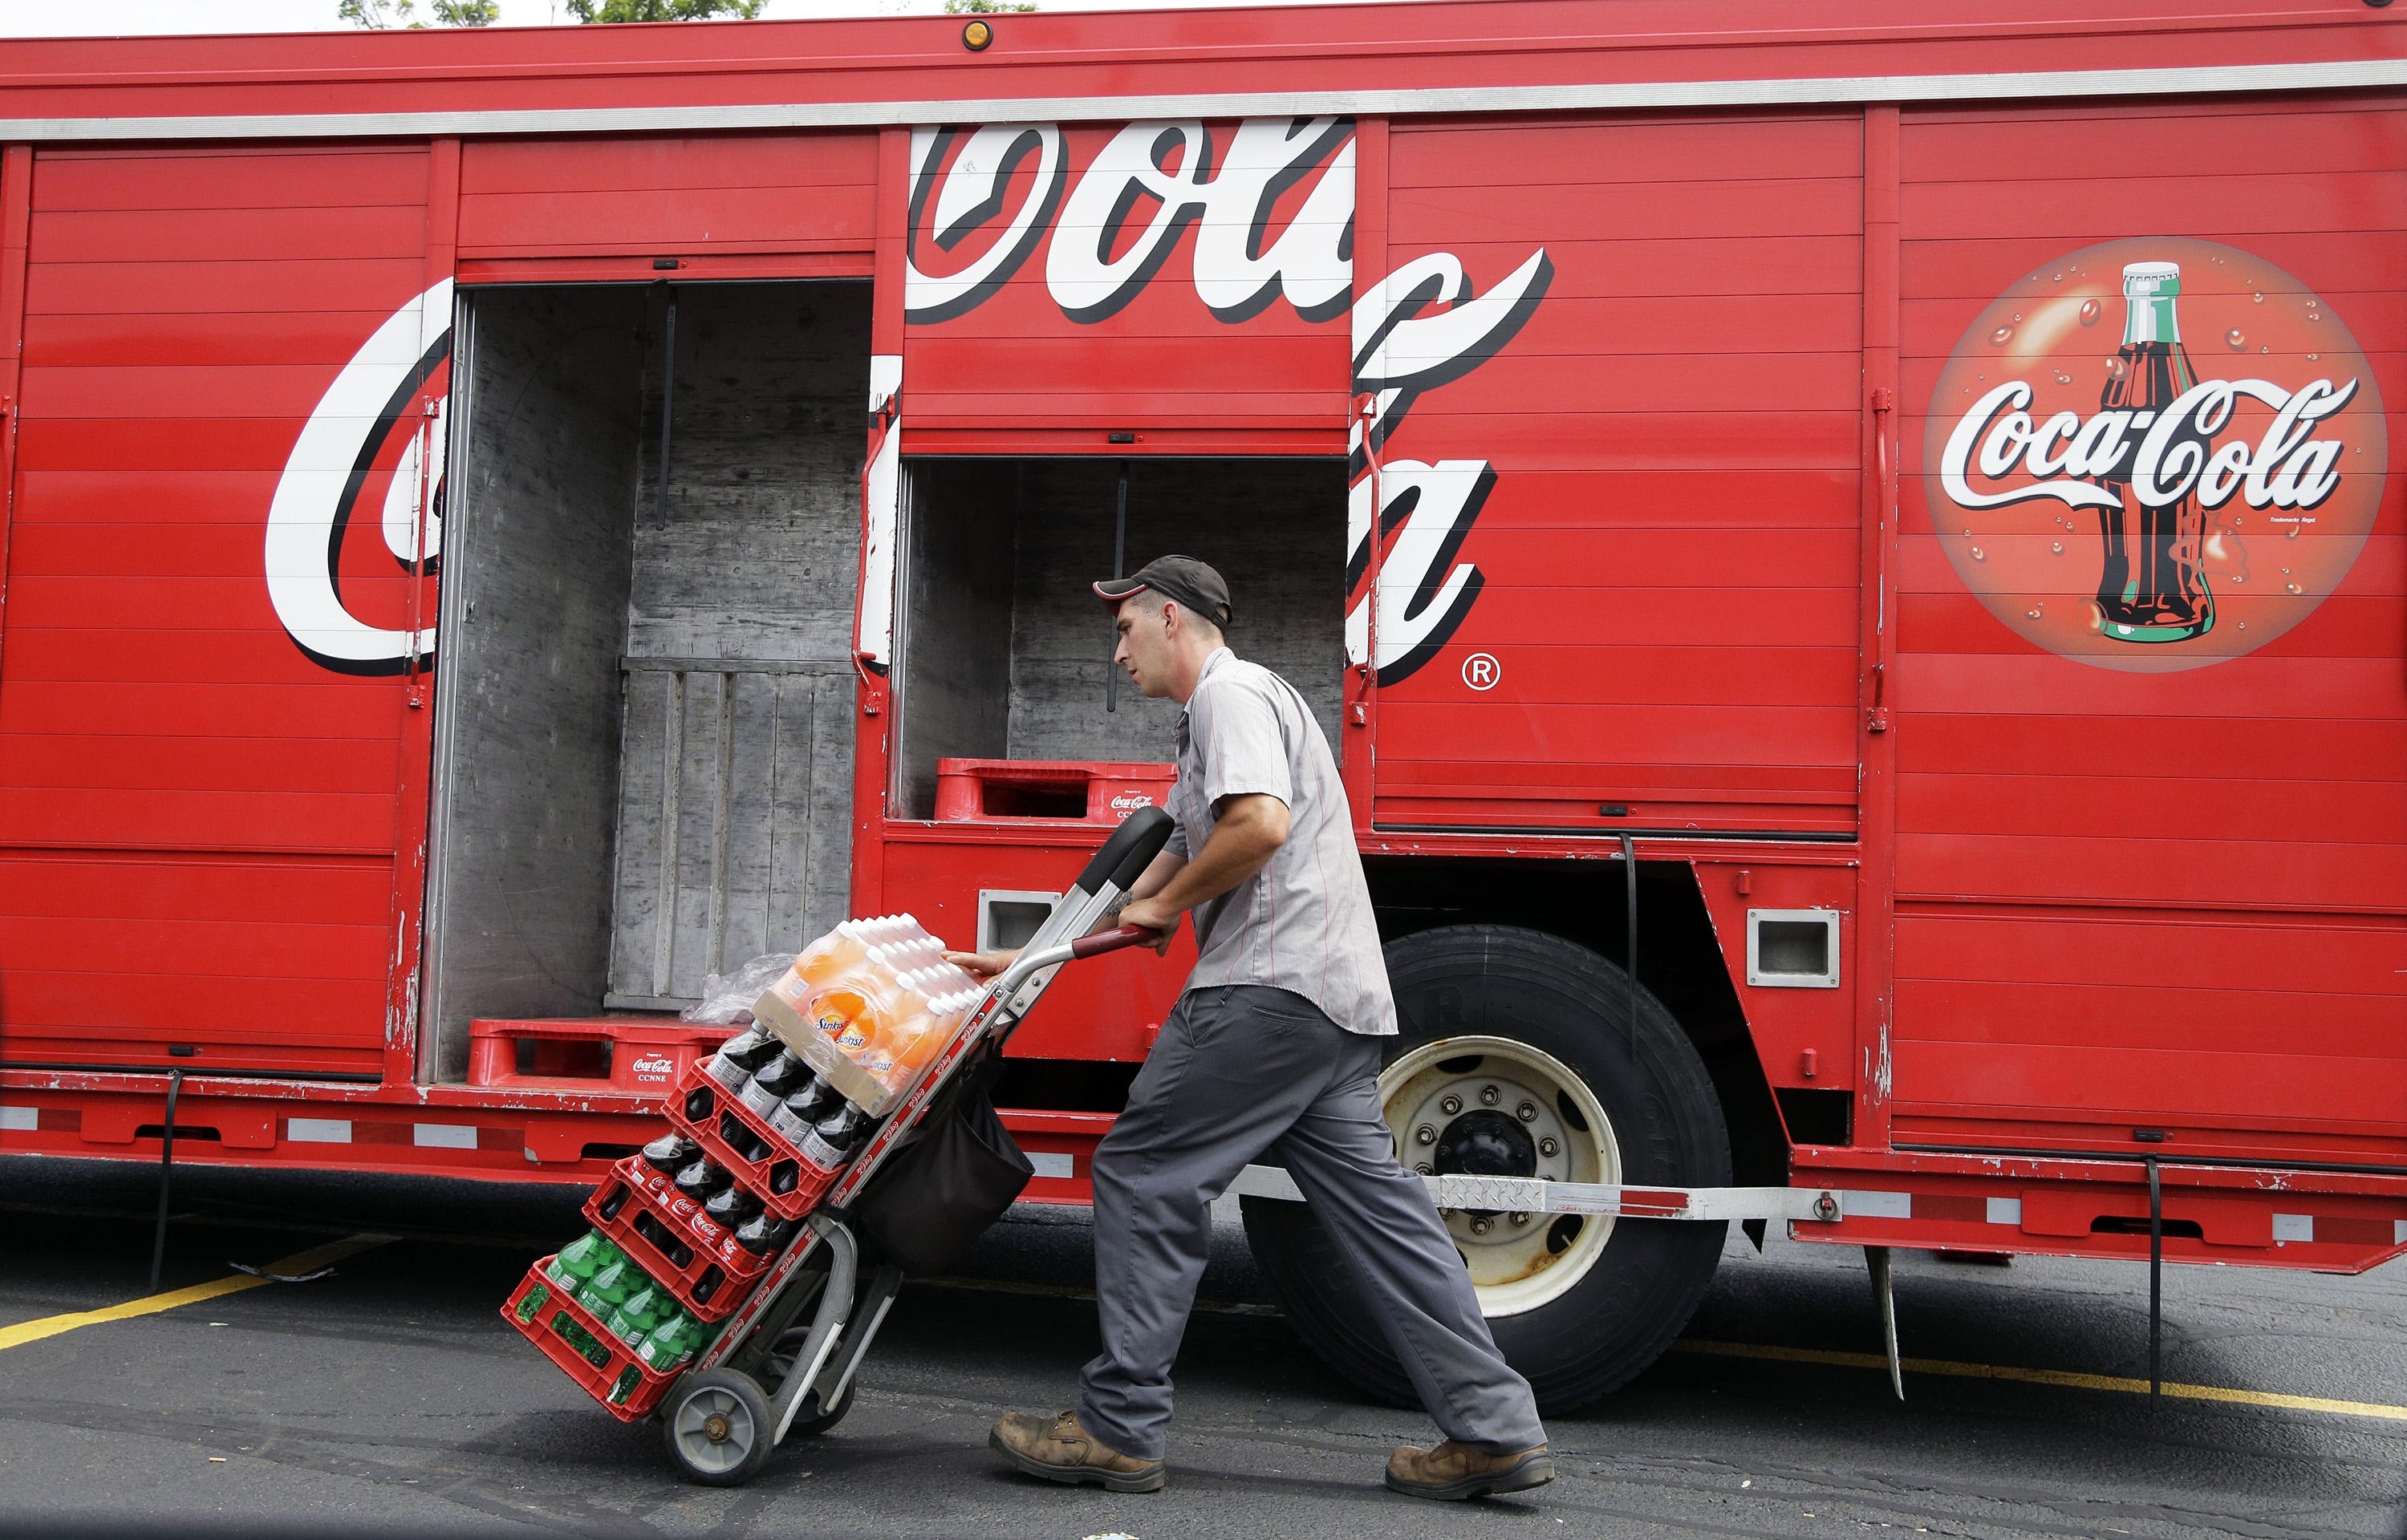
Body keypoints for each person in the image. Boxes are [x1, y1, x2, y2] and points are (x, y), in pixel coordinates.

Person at [944, 554, 1551, 1502]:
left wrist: (1175, 905)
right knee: (1387, 1223)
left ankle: (1117, 1426)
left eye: (1124, 630)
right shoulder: (1217, 723)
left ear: (1173, 622)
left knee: (1144, 1172)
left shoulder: (1231, 697)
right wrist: (1025, 958)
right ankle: (1494, 1430)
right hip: (1335, 1006)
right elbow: (1169, 871)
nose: (1117, 653)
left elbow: (1258, 829)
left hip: (1268, 992)